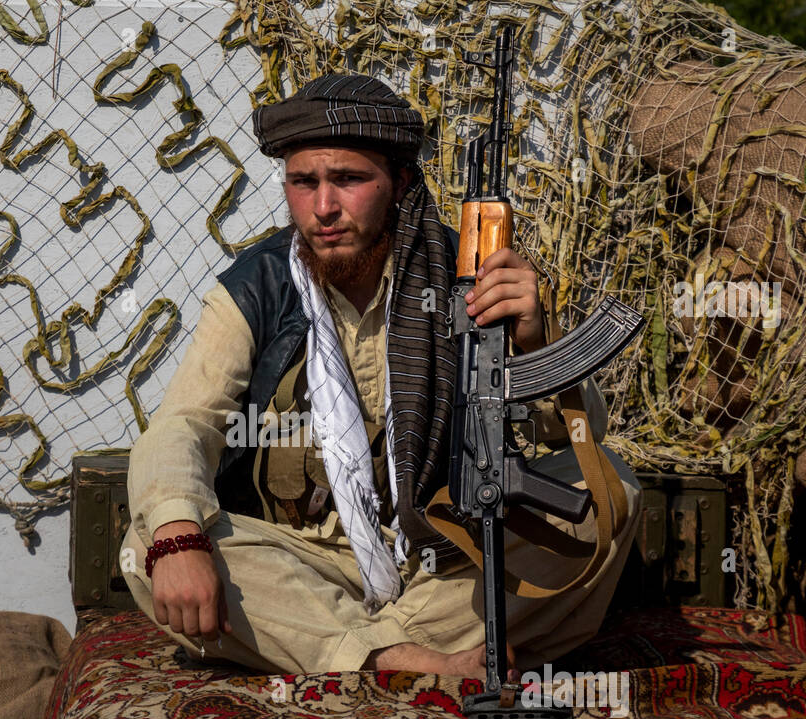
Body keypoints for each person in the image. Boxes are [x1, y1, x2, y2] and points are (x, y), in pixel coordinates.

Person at [121, 74, 641, 680]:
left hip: (446, 556)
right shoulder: (258, 286)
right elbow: (185, 424)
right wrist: (179, 535)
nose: (323, 207)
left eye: (348, 179)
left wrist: (533, 340)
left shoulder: (466, 277)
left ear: (399, 183)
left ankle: (345, 648)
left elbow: (579, 434)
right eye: (303, 182)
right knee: (149, 544)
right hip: (304, 560)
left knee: (611, 491)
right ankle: (409, 657)